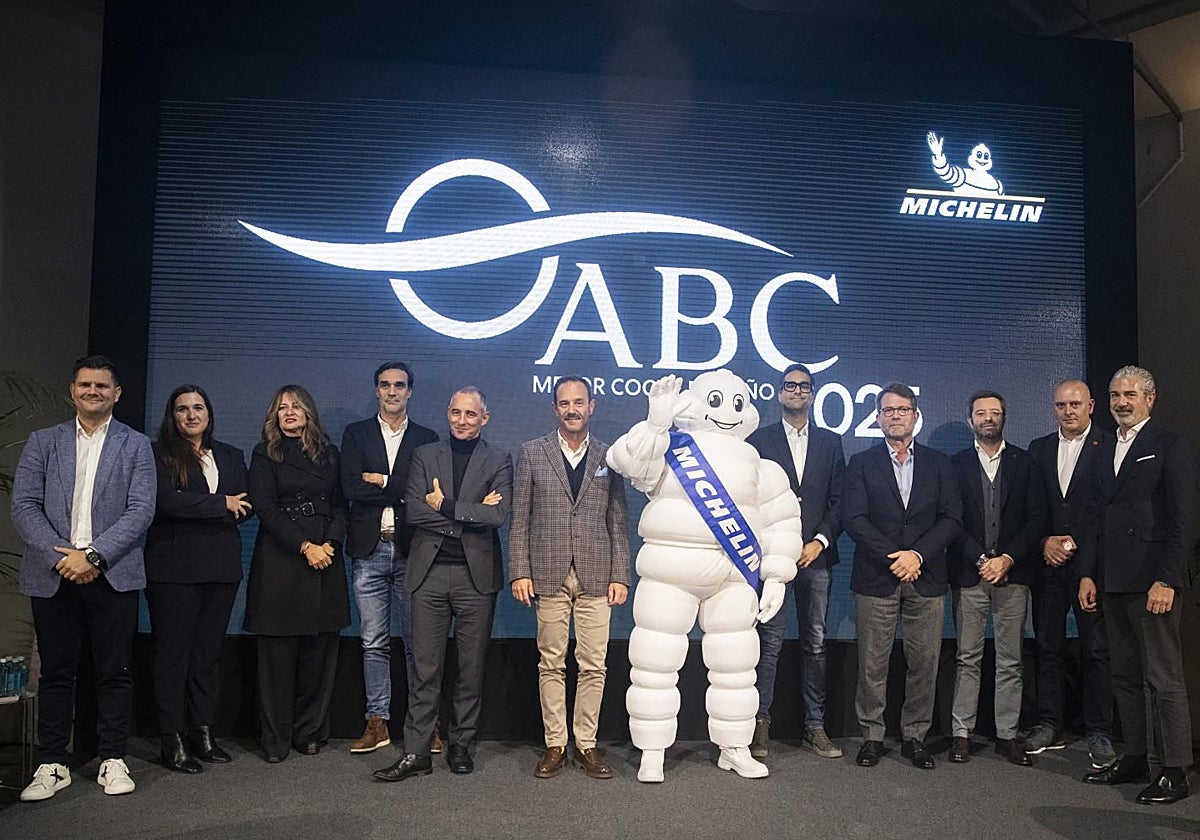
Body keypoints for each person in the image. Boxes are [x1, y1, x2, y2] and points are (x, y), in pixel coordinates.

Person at [604, 370, 802, 783]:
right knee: (653, 665)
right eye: (715, 401)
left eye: (735, 403)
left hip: (733, 577)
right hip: (667, 574)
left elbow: (781, 518)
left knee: (737, 669)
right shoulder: (670, 448)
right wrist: (656, 423)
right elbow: (625, 461)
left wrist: (778, 574)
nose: (726, 412)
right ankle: (652, 752)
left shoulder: (759, 464)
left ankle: (734, 747)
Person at [13, 355, 156, 801]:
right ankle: (52, 762)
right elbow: (24, 506)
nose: (92, 392)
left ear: (117, 393)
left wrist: (92, 555)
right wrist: (65, 558)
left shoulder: (136, 445)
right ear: (71, 390)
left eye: (101, 386)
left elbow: (141, 510)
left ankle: (112, 757)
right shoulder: (43, 442)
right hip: (53, 573)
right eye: (84, 385)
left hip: (111, 573)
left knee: (115, 672)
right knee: (56, 673)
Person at [373, 387, 512, 781]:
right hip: (428, 575)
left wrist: (446, 507)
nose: (462, 420)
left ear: (484, 418)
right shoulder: (424, 454)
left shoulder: (499, 459)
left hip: (476, 578)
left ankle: (461, 744)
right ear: (447, 415)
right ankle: (416, 752)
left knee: (470, 669)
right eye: (456, 413)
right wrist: (468, 516)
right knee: (425, 669)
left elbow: (497, 515)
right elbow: (415, 512)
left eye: (471, 414)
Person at [1077, 366, 1195, 805]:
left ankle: (1175, 771)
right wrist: (1088, 573)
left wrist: (1166, 579)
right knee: (1124, 677)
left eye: (1130, 395)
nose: (1121, 402)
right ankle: (1135, 758)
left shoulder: (1170, 445)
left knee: (1163, 679)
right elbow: (1093, 517)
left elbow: (1182, 520)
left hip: (1153, 583)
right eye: (1114, 396)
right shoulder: (1103, 447)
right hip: (1112, 581)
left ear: (1151, 398)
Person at [509, 376, 630, 780]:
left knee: (594, 664)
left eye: (579, 402)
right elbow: (519, 519)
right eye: (564, 403)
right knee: (551, 663)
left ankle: (588, 745)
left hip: (597, 574)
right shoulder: (531, 453)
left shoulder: (609, 455)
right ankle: (556, 744)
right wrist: (520, 571)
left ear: (592, 406)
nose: (572, 409)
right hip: (546, 572)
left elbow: (617, 521)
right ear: (554, 408)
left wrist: (621, 574)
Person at [842, 382, 961, 770]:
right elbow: (854, 519)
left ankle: (914, 736)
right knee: (872, 663)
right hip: (878, 575)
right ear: (877, 418)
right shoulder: (860, 464)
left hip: (926, 576)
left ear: (915, 415)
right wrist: (896, 557)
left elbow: (951, 517)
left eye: (902, 409)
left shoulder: (940, 464)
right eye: (887, 410)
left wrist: (918, 555)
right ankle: (873, 737)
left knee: (924, 662)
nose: (895, 415)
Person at [145, 385, 252, 773]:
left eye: (198, 408)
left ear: (209, 412)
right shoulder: (156, 454)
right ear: (172, 416)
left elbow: (247, 505)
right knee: (173, 656)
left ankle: (202, 733)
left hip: (221, 568)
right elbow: (163, 502)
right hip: (173, 570)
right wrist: (219, 504)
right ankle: (171, 739)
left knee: (208, 655)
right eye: (182, 409)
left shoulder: (231, 455)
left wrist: (207, 507)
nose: (191, 415)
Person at [243, 385, 349, 763]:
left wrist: (330, 545)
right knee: (277, 659)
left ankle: (310, 732)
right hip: (282, 560)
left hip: (326, 558)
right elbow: (266, 509)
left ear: (309, 413)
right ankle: (275, 738)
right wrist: (306, 547)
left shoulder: (331, 455)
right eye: (282, 407)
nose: (289, 412)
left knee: (319, 656)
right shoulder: (265, 453)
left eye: (296, 406)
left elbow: (341, 505)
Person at [746, 363, 845, 760]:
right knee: (768, 644)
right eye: (791, 386)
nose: (797, 391)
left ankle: (815, 726)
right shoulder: (759, 440)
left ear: (813, 393)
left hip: (816, 558)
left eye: (804, 386)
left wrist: (819, 541)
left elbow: (840, 501)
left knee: (815, 644)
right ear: (779, 393)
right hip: (772, 558)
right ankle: (761, 725)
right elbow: (749, 501)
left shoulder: (831, 442)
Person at [340, 362, 439, 754]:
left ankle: (424, 724)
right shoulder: (356, 433)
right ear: (376, 390)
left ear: (410, 391)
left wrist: (379, 480)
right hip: (369, 549)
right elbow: (350, 487)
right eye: (385, 385)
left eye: (399, 385)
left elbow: (423, 495)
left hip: (413, 551)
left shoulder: (427, 438)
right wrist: (399, 488)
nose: (392, 391)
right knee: (373, 642)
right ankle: (376, 722)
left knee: (419, 643)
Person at [947, 390, 1045, 766]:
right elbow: (951, 520)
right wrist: (979, 558)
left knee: (1011, 659)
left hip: (1013, 575)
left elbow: (1037, 519)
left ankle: (1007, 735)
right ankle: (961, 734)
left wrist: (1006, 558)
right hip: (970, 576)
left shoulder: (1026, 462)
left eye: (995, 412)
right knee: (967, 657)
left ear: (1005, 417)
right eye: (981, 413)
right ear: (970, 420)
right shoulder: (953, 465)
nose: (988, 418)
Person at [1025, 380, 1115, 769]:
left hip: (1090, 570)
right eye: (1061, 405)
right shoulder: (1039, 449)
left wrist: (1083, 556)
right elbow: (1034, 507)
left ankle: (1099, 730)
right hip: (1048, 567)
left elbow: (1107, 511)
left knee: (1096, 650)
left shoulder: (1110, 446)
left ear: (1091, 405)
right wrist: (1044, 539)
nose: (1068, 411)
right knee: (1048, 648)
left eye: (1075, 404)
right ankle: (1049, 723)